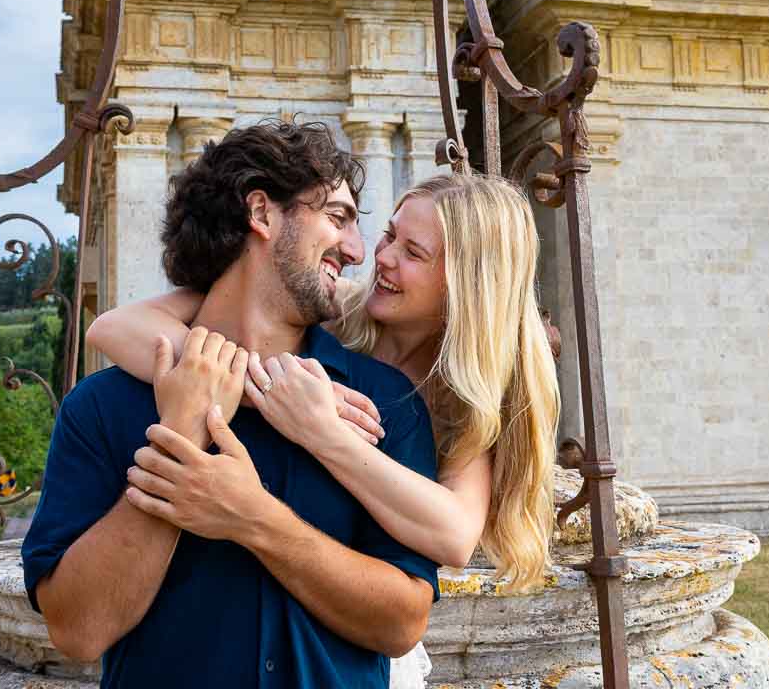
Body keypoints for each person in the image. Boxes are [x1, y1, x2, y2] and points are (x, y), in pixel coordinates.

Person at [88, 171, 561, 684]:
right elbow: (114, 328)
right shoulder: (337, 310)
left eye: (413, 253)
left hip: (358, 631)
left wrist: (322, 431)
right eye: (390, 236)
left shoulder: (471, 392)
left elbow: (452, 535)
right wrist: (265, 385)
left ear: (469, 282)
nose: (380, 257)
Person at [23, 121, 440, 688]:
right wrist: (179, 435)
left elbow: (402, 623)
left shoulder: (383, 404)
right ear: (263, 214)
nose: (358, 250)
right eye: (337, 218)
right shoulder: (100, 406)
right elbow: (78, 632)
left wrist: (254, 519)